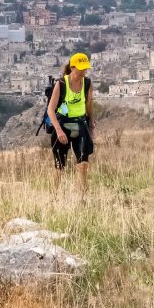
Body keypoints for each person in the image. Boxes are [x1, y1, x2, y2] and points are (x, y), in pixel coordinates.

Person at [47, 52, 95, 203]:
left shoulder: (87, 83)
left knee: (83, 164)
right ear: (72, 67)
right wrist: (59, 131)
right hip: (63, 125)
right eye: (81, 68)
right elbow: (51, 110)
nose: (83, 71)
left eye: (85, 68)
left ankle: (82, 199)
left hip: (81, 125)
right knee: (60, 166)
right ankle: (54, 197)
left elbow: (89, 106)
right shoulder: (61, 84)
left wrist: (91, 126)